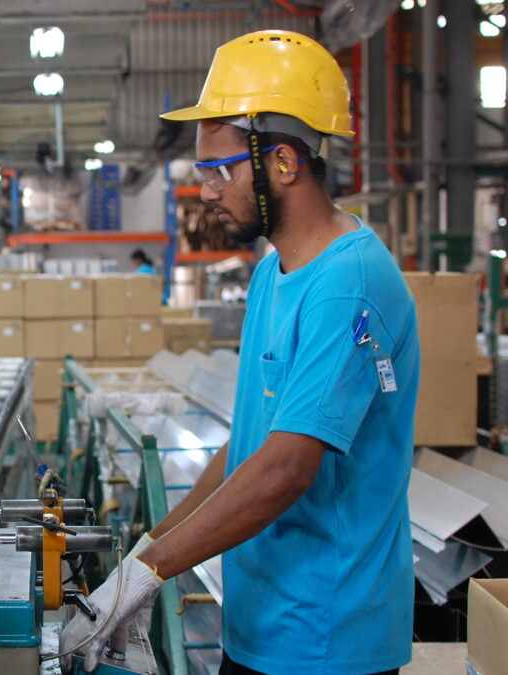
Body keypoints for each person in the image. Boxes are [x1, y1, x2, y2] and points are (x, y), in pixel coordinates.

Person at [61, 30, 418, 675]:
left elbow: (285, 469)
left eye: (220, 171)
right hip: (261, 622)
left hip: (323, 640)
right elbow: (250, 446)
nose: (207, 191)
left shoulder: (348, 286)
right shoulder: (272, 273)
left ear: (282, 163)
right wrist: (151, 547)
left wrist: (149, 573)